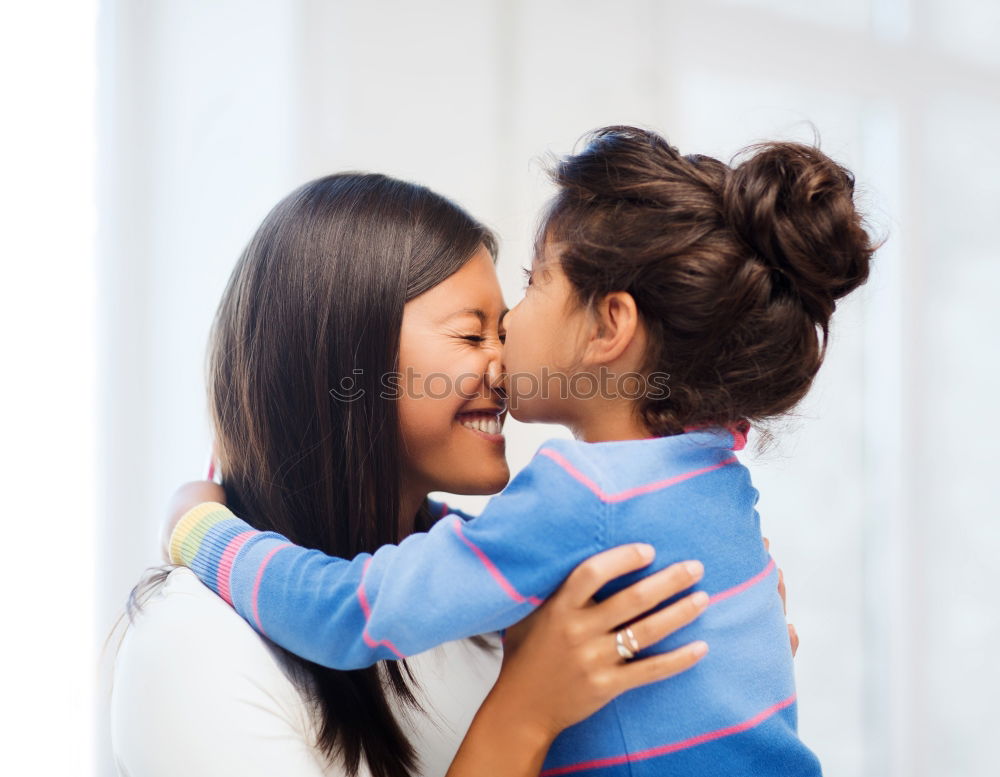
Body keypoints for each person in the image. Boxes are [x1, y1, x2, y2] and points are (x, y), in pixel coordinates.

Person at [167, 126, 870, 775]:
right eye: (474, 335)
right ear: (341, 353)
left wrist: (201, 529)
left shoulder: (579, 493)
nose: (503, 351)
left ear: (610, 326)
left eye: (532, 286)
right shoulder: (713, 470)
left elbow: (349, 612)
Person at [111, 171, 719, 777]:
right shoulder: (192, 643)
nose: (507, 368)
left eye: (503, 333)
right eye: (470, 334)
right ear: (345, 358)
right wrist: (526, 712)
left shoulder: (496, 607)